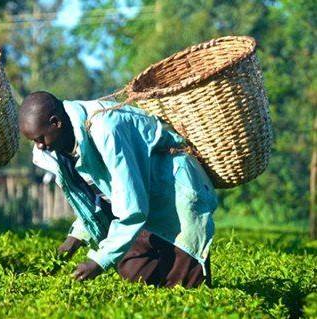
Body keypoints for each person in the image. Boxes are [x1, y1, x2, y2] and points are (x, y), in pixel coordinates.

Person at [19, 91, 217, 288]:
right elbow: (98, 193)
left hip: (173, 192)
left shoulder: (106, 129)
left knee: (186, 282)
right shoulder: (61, 148)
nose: (39, 147)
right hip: (140, 197)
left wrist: (99, 261)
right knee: (132, 267)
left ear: (56, 122)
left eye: (40, 138)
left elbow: (132, 206)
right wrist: (75, 238)